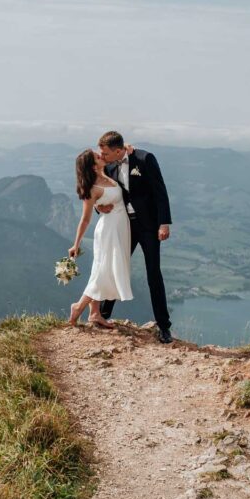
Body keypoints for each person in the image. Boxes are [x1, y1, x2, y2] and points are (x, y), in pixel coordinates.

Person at [95, 131, 174, 343]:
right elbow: (101, 192)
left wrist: (164, 223)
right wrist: (99, 208)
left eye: (105, 153)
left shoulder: (144, 159)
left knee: (153, 274)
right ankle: (102, 315)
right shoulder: (109, 167)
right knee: (115, 267)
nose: (102, 156)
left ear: (119, 150)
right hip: (124, 226)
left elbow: (160, 191)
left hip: (149, 226)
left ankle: (164, 327)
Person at [67, 149, 133, 329]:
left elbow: (120, 153)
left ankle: (95, 313)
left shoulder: (107, 173)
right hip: (108, 230)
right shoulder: (92, 188)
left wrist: (127, 147)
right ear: (92, 165)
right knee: (104, 270)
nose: (102, 156)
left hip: (120, 227)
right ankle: (78, 306)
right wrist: (76, 244)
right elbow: (85, 219)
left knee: (100, 269)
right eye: (98, 156)